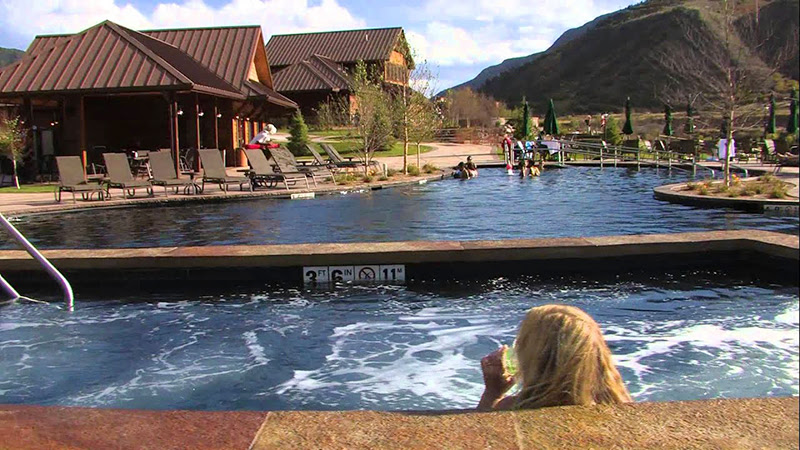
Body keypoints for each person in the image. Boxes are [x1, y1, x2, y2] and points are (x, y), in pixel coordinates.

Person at [477, 305, 632, 411]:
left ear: (535, 358)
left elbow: (482, 437)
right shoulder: (620, 402)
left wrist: (492, 394)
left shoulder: (513, 407)